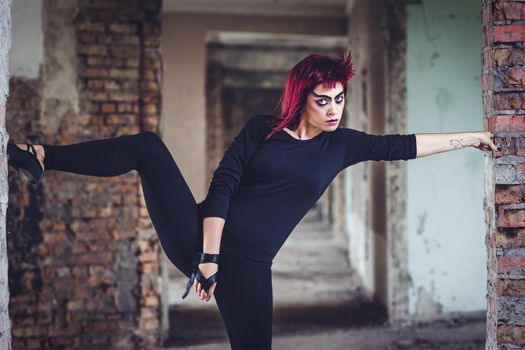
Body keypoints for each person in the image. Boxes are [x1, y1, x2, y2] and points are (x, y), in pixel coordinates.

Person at [6, 52, 498, 349]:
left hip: (252, 267)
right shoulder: (262, 130)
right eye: (322, 99)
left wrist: (472, 137)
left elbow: (403, 145)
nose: (332, 109)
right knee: (146, 147)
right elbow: (222, 187)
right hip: (200, 237)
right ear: (302, 96)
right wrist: (208, 260)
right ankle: (40, 156)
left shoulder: (342, 145)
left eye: (339, 98)